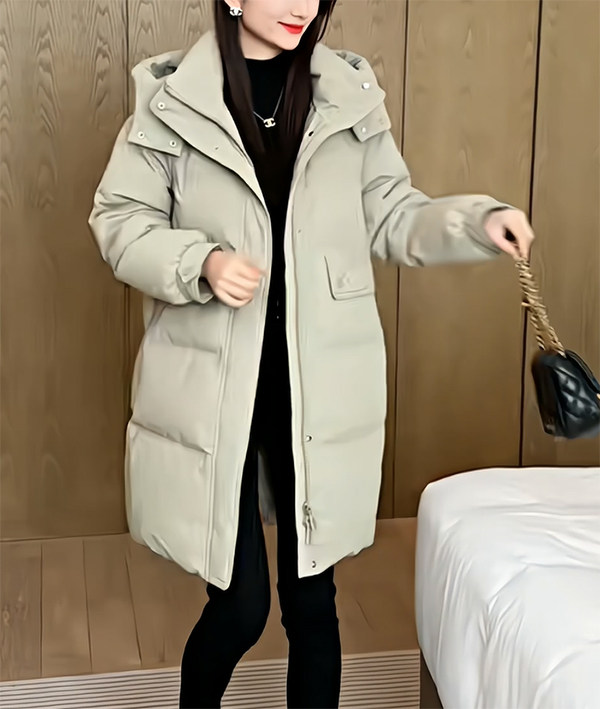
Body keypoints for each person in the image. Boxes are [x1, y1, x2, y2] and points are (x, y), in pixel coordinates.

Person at [88, 1, 535, 707]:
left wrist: (477, 221)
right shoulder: (172, 98)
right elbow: (120, 220)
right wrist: (200, 261)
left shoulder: (347, 95)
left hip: (317, 381)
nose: (303, 6)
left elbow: (393, 214)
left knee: (312, 602)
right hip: (214, 382)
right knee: (240, 607)